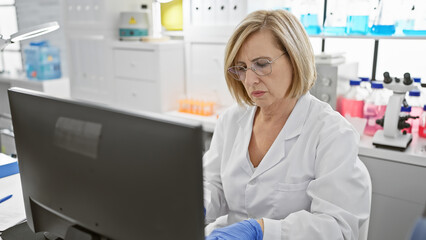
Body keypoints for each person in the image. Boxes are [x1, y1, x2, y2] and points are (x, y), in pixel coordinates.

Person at [203, 9, 371, 240]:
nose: (250, 80)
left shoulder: (332, 133)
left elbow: (338, 228)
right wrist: (195, 204)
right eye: (241, 68)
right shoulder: (232, 120)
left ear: (295, 58)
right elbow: (214, 183)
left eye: (261, 64)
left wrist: (262, 230)